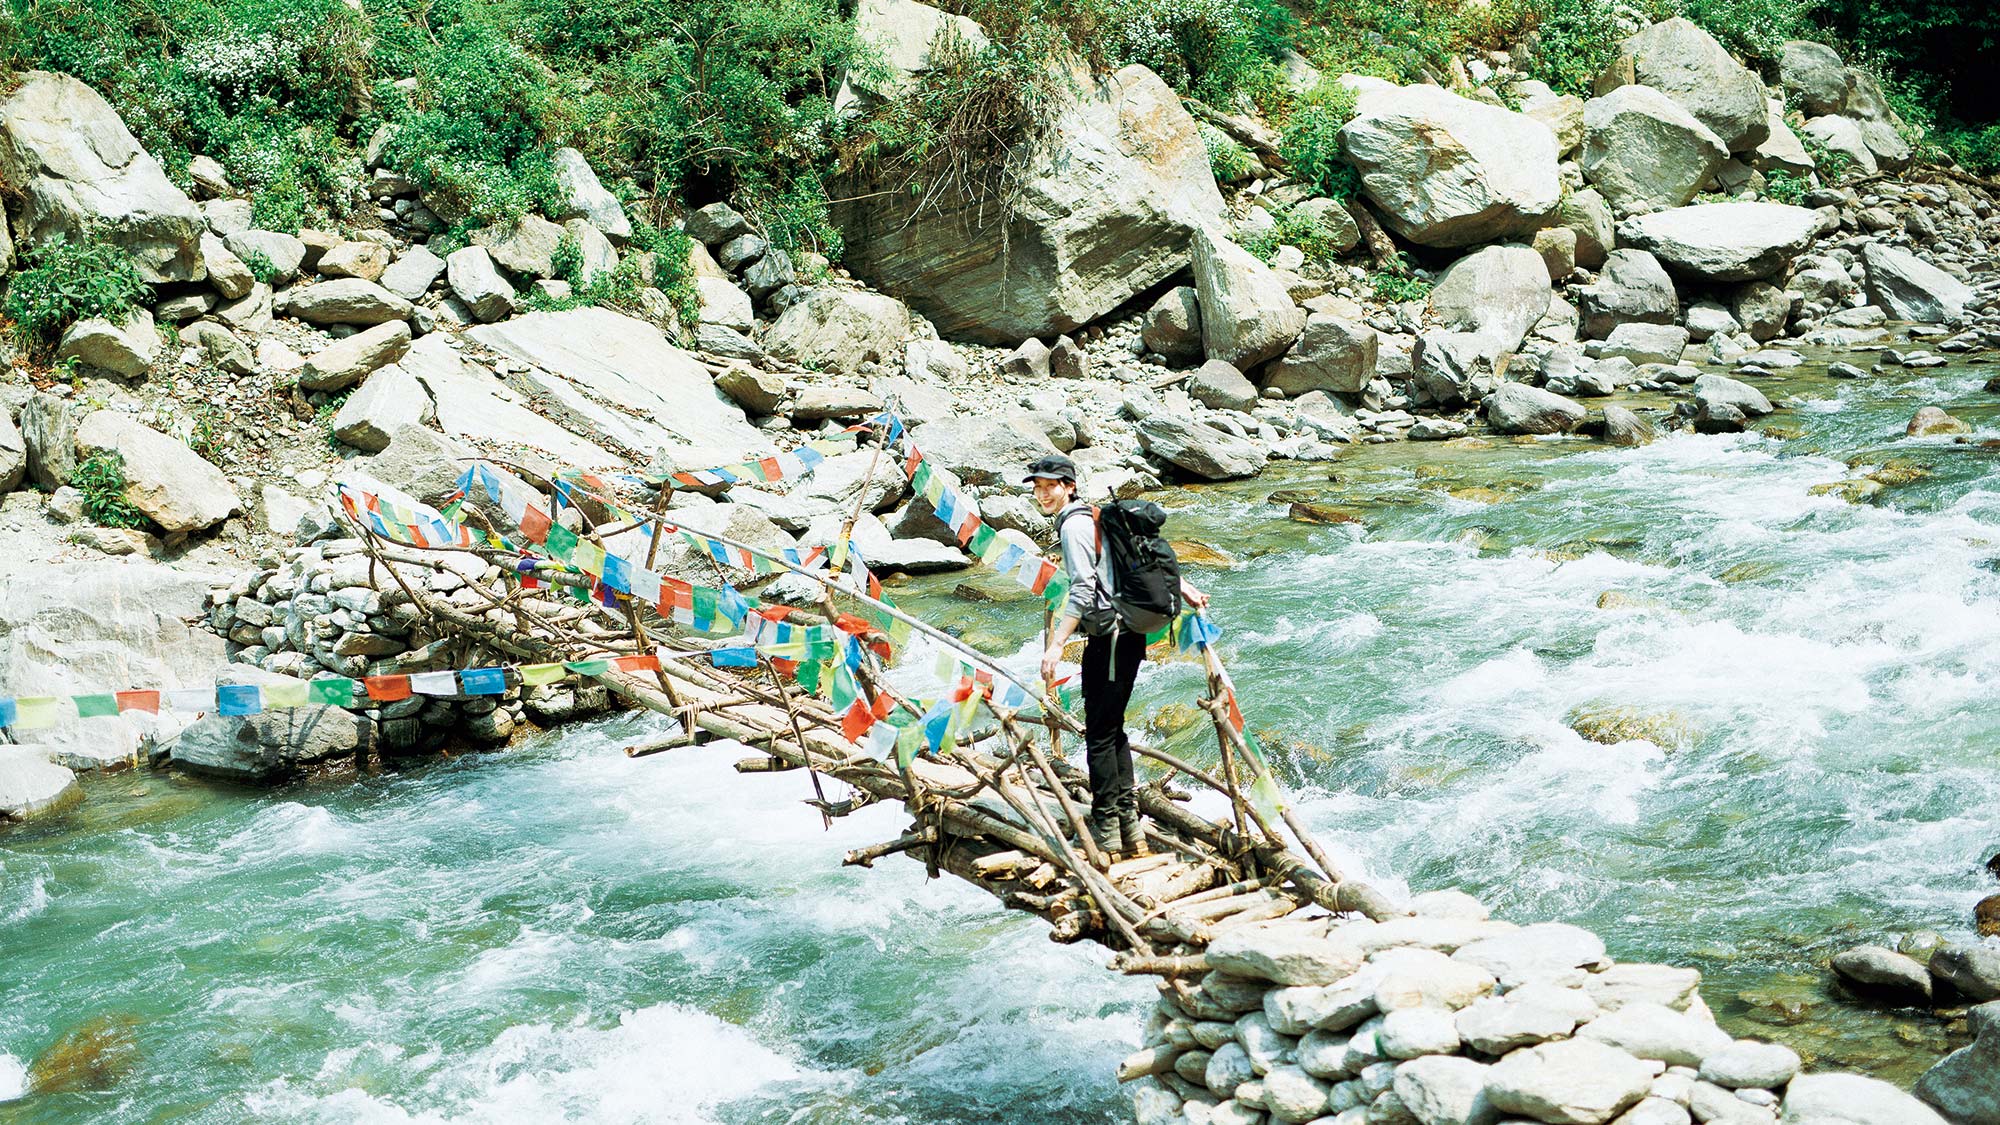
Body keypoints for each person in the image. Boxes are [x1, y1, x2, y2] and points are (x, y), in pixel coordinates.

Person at [1025, 454, 1207, 859]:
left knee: (1100, 735)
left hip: (1108, 638)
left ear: (1069, 486)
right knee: (1113, 728)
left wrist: (1057, 644)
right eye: (1037, 487)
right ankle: (1129, 827)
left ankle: (1106, 830)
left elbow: (1083, 590)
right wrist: (1186, 587)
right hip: (1129, 636)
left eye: (1050, 486)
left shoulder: (1074, 526)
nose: (1042, 494)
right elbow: (1136, 558)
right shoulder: (1096, 516)